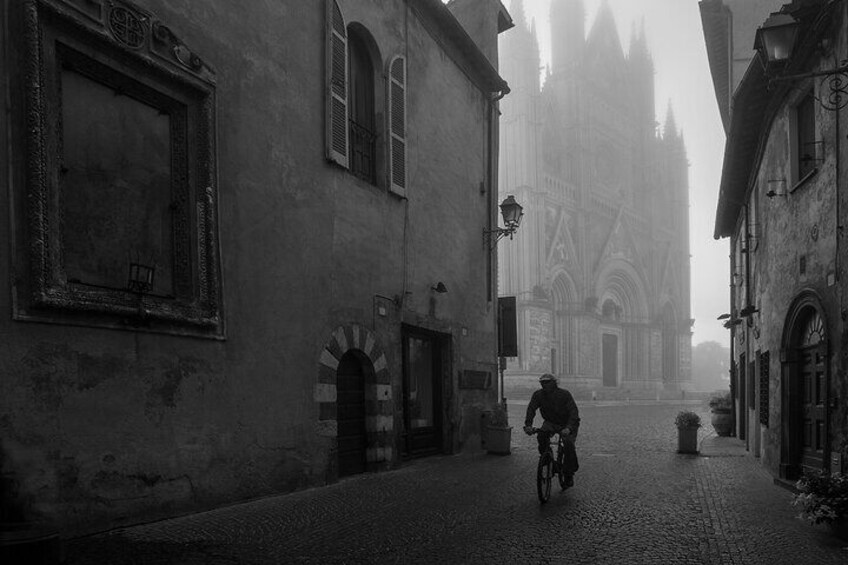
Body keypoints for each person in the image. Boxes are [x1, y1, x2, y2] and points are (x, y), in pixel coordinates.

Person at [523, 373, 580, 487]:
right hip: (550, 422)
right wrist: (528, 425)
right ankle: (548, 459)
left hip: (566, 423)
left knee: (568, 444)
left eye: (547, 382)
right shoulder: (538, 395)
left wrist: (569, 428)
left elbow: (573, 413)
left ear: (554, 383)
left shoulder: (564, 394)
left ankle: (569, 473)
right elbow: (531, 409)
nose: (544, 385)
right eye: (542, 383)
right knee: (541, 436)